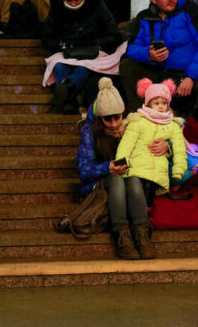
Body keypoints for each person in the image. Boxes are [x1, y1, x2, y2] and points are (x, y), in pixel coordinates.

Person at [77, 77, 169, 259]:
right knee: (117, 180)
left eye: (117, 117)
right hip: (101, 182)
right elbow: (84, 169)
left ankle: (142, 234)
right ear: (99, 118)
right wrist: (108, 167)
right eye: (107, 119)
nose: (113, 123)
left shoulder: (135, 125)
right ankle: (122, 236)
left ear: (123, 113)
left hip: (133, 176)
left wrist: (167, 147)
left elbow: (163, 140)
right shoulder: (89, 132)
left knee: (133, 179)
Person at [121, 0, 198, 118]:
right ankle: (140, 118)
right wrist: (148, 55)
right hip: (158, 73)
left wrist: (190, 77)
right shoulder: (144, 17)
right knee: (127, 65)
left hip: (186, 74)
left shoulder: (191, 11)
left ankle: (197, 130)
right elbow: (131, 48)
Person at [115, 78, 188, 258]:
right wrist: (121, 162)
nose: (161, 106)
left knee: (148, 191)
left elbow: (180, 149)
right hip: (137, 168)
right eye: (156, 103)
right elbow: (126, 144)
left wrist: (179, 169)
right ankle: (140, 232)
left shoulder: (172, 126)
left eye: (164, 103)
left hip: (158, 173)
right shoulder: (138, 121)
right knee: (136, 186)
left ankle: (142, 228)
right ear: (148, 103)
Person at [42, 0, 123, 113]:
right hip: (67, 51)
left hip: (92, 52)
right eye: (69, 0)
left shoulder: (97, 5)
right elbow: (47, 36)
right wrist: (62, 45)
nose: (73, 3)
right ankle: (69, 99)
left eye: (77, 0)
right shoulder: (57, 8)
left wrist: (95, 44)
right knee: (60, 67)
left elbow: (113, 34)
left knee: (83, 68)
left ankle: (66, 92)